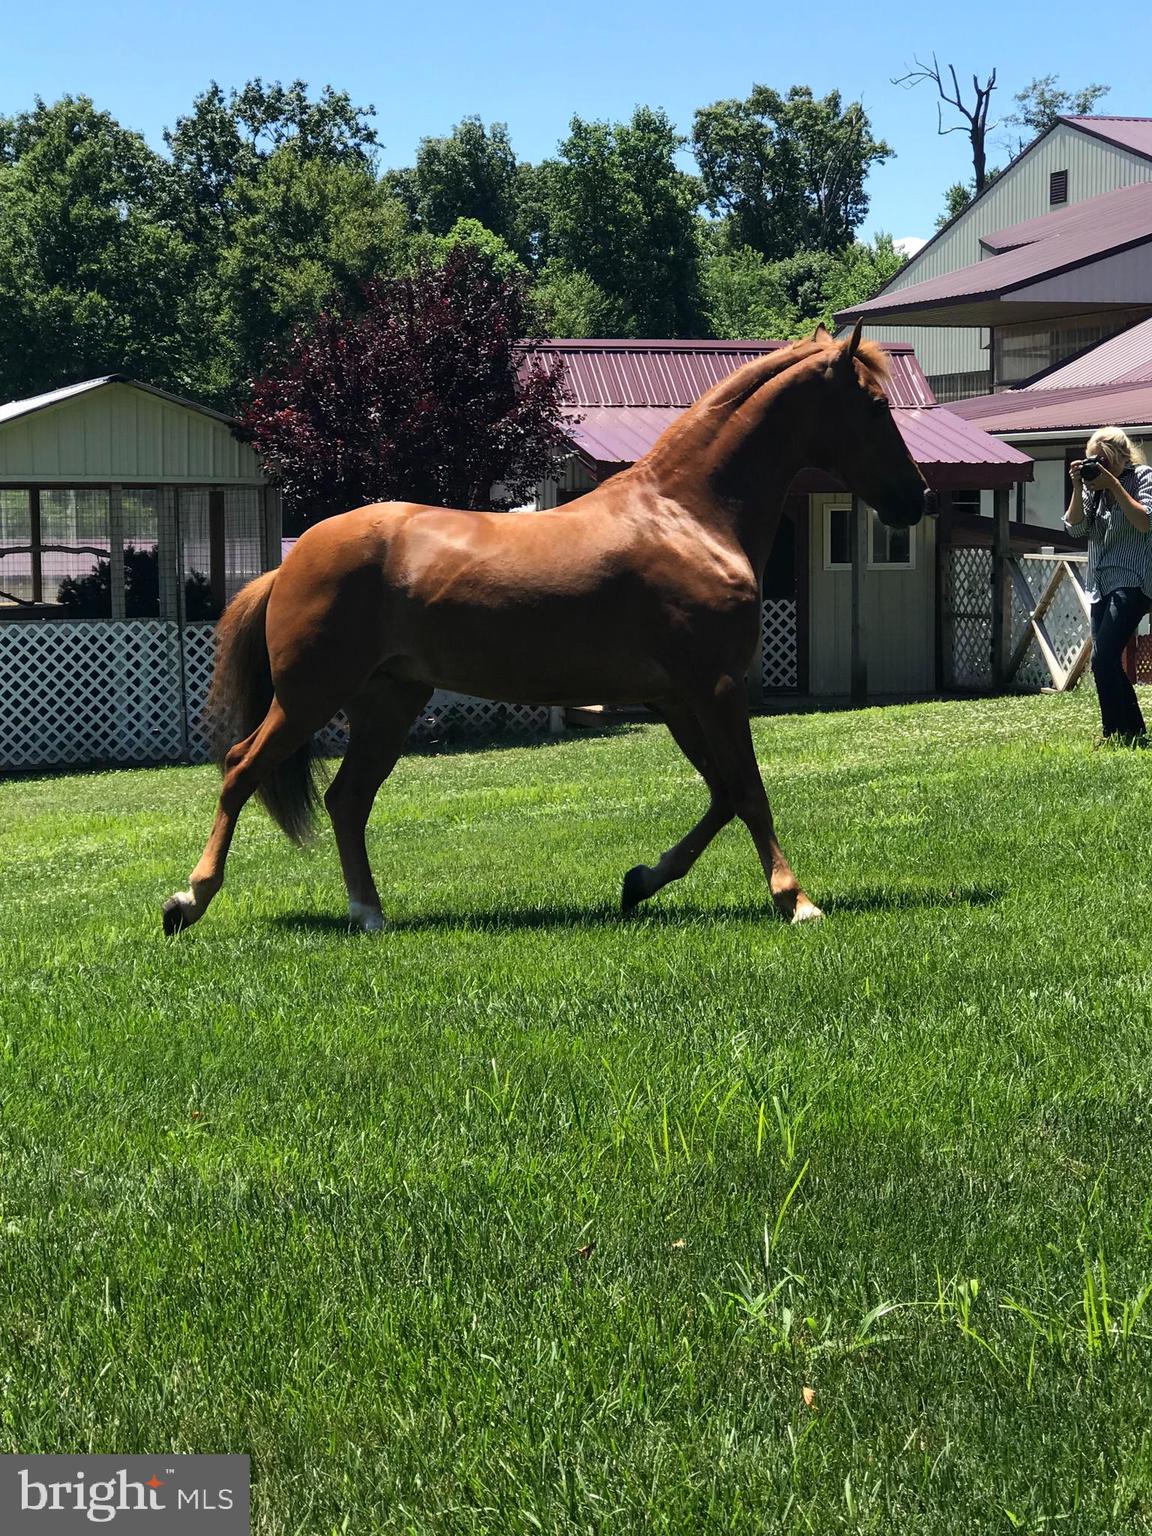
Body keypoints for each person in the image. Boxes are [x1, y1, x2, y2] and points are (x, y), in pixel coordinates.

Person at [1063, 426, 1152, 745]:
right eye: (1091, 460)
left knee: (1103, 657)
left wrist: (1113, 484)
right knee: (1106, 658)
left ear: (1118, 457)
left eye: (1101, 460)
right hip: (1099, 583)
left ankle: (1114, 731)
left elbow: (1145, 522)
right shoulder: (1092, 486)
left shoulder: (1143, 477)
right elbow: (1076, 530)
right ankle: (1130, 731)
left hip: (1134, 580)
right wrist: (1077, 485)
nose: (1095, 466)